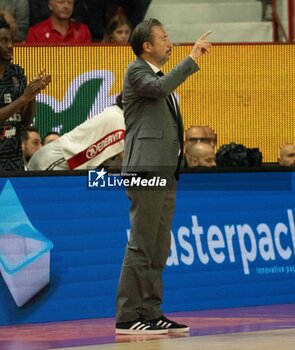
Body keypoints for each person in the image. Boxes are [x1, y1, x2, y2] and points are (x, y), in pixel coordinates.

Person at [115, 18, 211, 335]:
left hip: (165, 170)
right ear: (147, 46)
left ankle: (152, 311)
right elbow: (160, 88)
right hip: (145, 169)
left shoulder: (154, 75)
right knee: (142, 244)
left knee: (159, 245)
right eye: (164, 37)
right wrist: (193, 57)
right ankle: (129, 316)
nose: (169, 42)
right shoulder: (137, 71)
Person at [0, 15, 51, 171]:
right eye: (3, 41)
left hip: (14, 160)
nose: (10, 46)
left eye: (11, 41)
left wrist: (32, 94)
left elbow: (26, 121)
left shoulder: (17, 73)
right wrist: (24, 98)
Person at [27, 94, 125, 170]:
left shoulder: (116, 114)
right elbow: (129, 165)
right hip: (54, 160)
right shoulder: (118, 119)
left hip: (58, 161)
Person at [26, 0, 91, 44]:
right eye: (61, 2)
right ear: (50, 5)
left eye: (69, 2)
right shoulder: (35, 33)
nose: (66, 6)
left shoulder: (82, 31)